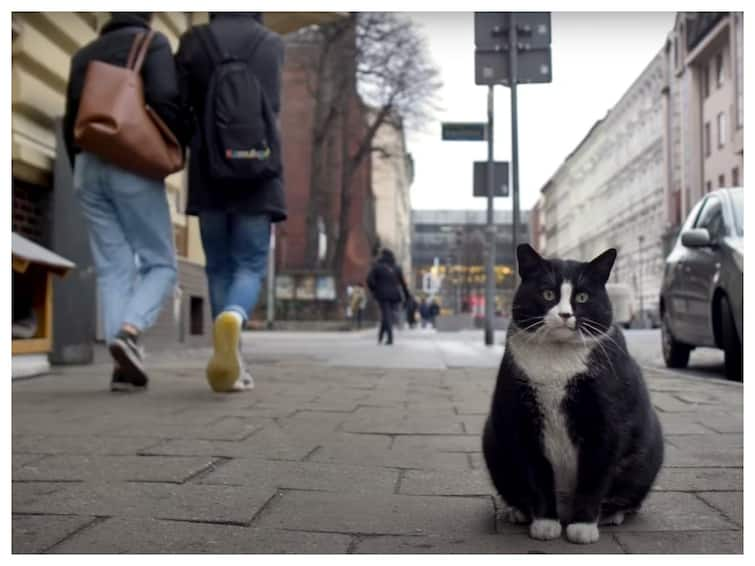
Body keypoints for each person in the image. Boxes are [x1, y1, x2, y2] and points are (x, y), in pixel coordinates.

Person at [63, 12, 188, 392]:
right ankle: (130, 333)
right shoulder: (152, 43)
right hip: (130, 162)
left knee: (113, 269)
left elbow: (73, 118)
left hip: (87, 165)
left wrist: (80, 167)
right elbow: (166, 99)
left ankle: (123, 368)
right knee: (161, 263)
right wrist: (173, 146)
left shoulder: (83, 53)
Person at [176, 13, 286, 393]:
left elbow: (179, 103)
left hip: (209, 168)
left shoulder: (194, 40)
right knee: (250, 263)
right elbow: (271, 106)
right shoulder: (271, 43)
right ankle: (235, 318)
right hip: (257, 168)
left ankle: (231, 357)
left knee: (218, 265)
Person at [366, 249, 411, 345]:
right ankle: (381, 336)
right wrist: (407, 296)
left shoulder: (377, 267)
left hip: (381, 294)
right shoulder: (396, 268)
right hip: (394, 295)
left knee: (386, 314)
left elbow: (369, 280)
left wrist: (374, 289)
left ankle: (390, 337)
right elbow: (403, 284)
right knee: (387, 314)